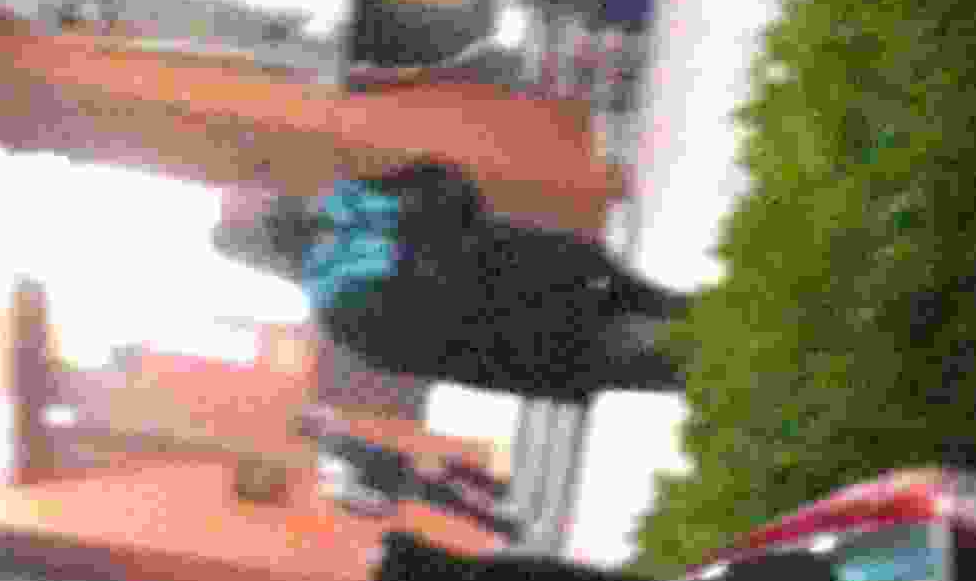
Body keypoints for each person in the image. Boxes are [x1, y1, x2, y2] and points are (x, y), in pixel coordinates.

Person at [218, 163, 692, 403]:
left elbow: (446, 362)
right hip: (555, 300)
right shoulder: (352, 227)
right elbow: (450, 183)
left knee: (686, 347)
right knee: (686, 335)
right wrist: (454, 231)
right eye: (271, 204)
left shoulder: (340, 301)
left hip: (553, 318)